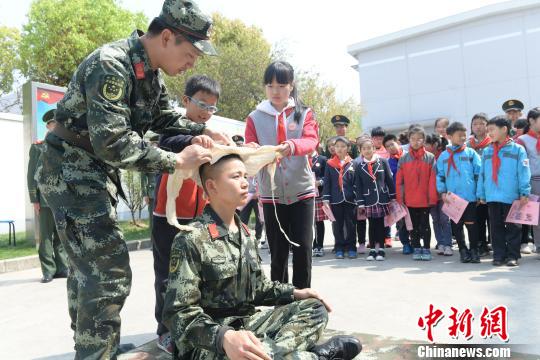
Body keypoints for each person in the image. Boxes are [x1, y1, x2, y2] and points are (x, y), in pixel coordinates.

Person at [36, 1, 231, 357]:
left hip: (88, 172)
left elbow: (163, 117)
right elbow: (112, 142)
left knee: (87, 270)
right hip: (71, 171)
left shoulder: (148, 73)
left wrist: (203, 131)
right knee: (108, 271)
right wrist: (176, 160)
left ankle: (93, 344)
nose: (192, 63)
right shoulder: (111, 65)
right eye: (190, 53)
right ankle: (97, 350)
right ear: (167, 37)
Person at [162, 154, 362, 360]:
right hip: (209, 342)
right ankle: (311, 356)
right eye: (235, 176)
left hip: (249, 327)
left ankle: (277, 354)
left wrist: (295, 292)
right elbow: (177, 313)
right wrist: (224, 337)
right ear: (212, 186)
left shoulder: (246, 234)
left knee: (315, 309)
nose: (244, 182)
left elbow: (258, 288)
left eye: (245, 176)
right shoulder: (192, 238)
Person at [151, 74, 220, 354]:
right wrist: (194, 138)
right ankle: (165, 331)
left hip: (201, 216)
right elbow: (168, 142)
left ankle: (197, 326)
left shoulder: (211, 136)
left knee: (201, 274)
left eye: (212, 107)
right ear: (186, 100)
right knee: (168, 276)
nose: (206, 111)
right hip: (167, 216)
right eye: (201, 103)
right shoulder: (172, 127)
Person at [244, 60, 319, 289]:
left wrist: (292, 146)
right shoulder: (254, 117)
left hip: (302, 192)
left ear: (291, 85)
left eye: (281, 85)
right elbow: (249, 145)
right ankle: (281, 302)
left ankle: (303, 299)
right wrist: (253, 150)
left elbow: (311, 141)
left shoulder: (304, 113)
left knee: (303, 249)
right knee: (277, 253)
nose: (275, 91)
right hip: (271, 195)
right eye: (270, 86)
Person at [477, 116, 531, 267]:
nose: (489, 133)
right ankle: (499, 255)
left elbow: (523, 171)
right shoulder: (487, 151)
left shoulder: (517, 149)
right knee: (496, 227)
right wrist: (481, 193)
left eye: (492, 129)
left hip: (511, 195)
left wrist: (524, 192)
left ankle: (513, 255)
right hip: (493, 195)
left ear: (504, 129)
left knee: (513, 227)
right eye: (488, 130)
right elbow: (482, 174)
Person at [27, 109, 69, 283]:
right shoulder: (38, 147)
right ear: (48, 126)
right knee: (45, 237)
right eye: (53, 125)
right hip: (44, 200)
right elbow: (31, 175)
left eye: (58, 125)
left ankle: (62, 267)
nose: (56, 128)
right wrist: (34, 199)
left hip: (62, 199)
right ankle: (48, 270)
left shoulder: (64, 146)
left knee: (61, 234)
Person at [436, 122, 482, 263]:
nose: (463, 137)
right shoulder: (443, 156)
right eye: (459, 135)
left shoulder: (471, 153)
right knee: (456, 225)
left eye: (464, 135)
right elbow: (440, 175)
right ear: (449, 136)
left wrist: (479, 194)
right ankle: (463, 249)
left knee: (472, 225)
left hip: (469, 197)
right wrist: (442, 192)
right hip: (452, 199)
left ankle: (474, 249)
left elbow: (479, 174)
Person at [396, 126, 438, 261]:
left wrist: (432, 198)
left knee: (425, 225)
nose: (416, 141)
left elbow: (433, 180)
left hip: (425, 200)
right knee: (412, 226)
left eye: (419, 139)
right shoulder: (403, 159)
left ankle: (426, 248)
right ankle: (416, 247)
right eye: (413, 139)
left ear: (424, 140)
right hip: (410, 200)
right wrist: (400, 198)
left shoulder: (430, 158)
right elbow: (399, 181)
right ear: (409, 140)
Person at [355, 138, 395, 261]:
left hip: (382, 198)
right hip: (368, 199)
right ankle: (372, 249)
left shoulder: (383, 161)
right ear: (360, 150)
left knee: (381, 225)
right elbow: (358, 185)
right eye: (364, 148)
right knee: (371, 224)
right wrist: (360, 203)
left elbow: (389, 180)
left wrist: (393, 197)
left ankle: (381, 249)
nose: (367, 150)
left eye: (369, 148)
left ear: (374, 149)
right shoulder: (359, 165)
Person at [323, 137, 357, 259]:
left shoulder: (353, 163)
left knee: (351, 224)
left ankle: (352, 247)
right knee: (337, 225)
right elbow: (327, 183)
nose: (340, 149)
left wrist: (356, 197)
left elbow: (356, 182)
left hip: (350, 199)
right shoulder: (329, 164)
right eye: (337, 146)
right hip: (335, 199)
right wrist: (326, 199)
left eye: (343, 146)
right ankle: (339, 247)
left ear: (348, 148)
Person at [516, 107, 540, 257]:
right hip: (534, 181)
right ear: (531, 121)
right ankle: (539, 245)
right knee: (537, 218)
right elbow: (522, 165)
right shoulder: (522, 140)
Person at [466, 112, 492, 257]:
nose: (478, 126)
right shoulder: (468, 145)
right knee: (479, 217)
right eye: (475, 123)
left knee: (493, 218)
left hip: (492, 185)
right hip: (475, 186)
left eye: (482, 123)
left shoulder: (493, 142)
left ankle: (494, 242)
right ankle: (481, 244)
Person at [383, 134, 411, 254]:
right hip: (398, 197)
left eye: (392, 144)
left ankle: (416, 243)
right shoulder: (388, 163)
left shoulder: (409, 156)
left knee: (414, 220)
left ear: (397, 143)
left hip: (412, 194)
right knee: (401, 221)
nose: (390, 147)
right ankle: (406, 243)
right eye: (387, 146)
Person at [425, 134, 452, 255]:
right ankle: (440, 243)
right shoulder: (425, 157)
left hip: (443, 193)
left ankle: (448, 244)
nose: (426, 146)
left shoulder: (444, 156)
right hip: (430, 194)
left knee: (444, 219)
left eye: (428, 144)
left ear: (436, 144)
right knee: (435, 219)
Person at [140, 132, 160, 233]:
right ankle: (153, 244)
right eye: (154, 144)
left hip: (163, 193)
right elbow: (143, 178)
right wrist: (145, 194)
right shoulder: (147, 159)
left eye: (157, 143)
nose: (155, 146)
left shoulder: (165, 157)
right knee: (153, 219)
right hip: (152, 194)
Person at [312, 145, 328, 257]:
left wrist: (320, 182)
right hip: (303, 194)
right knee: (306, 223)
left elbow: (327, 176)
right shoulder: (300, 158)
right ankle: (310, 245)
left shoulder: (322, 159)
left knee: (318, 222)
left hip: (318, 195)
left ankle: (319, 245)